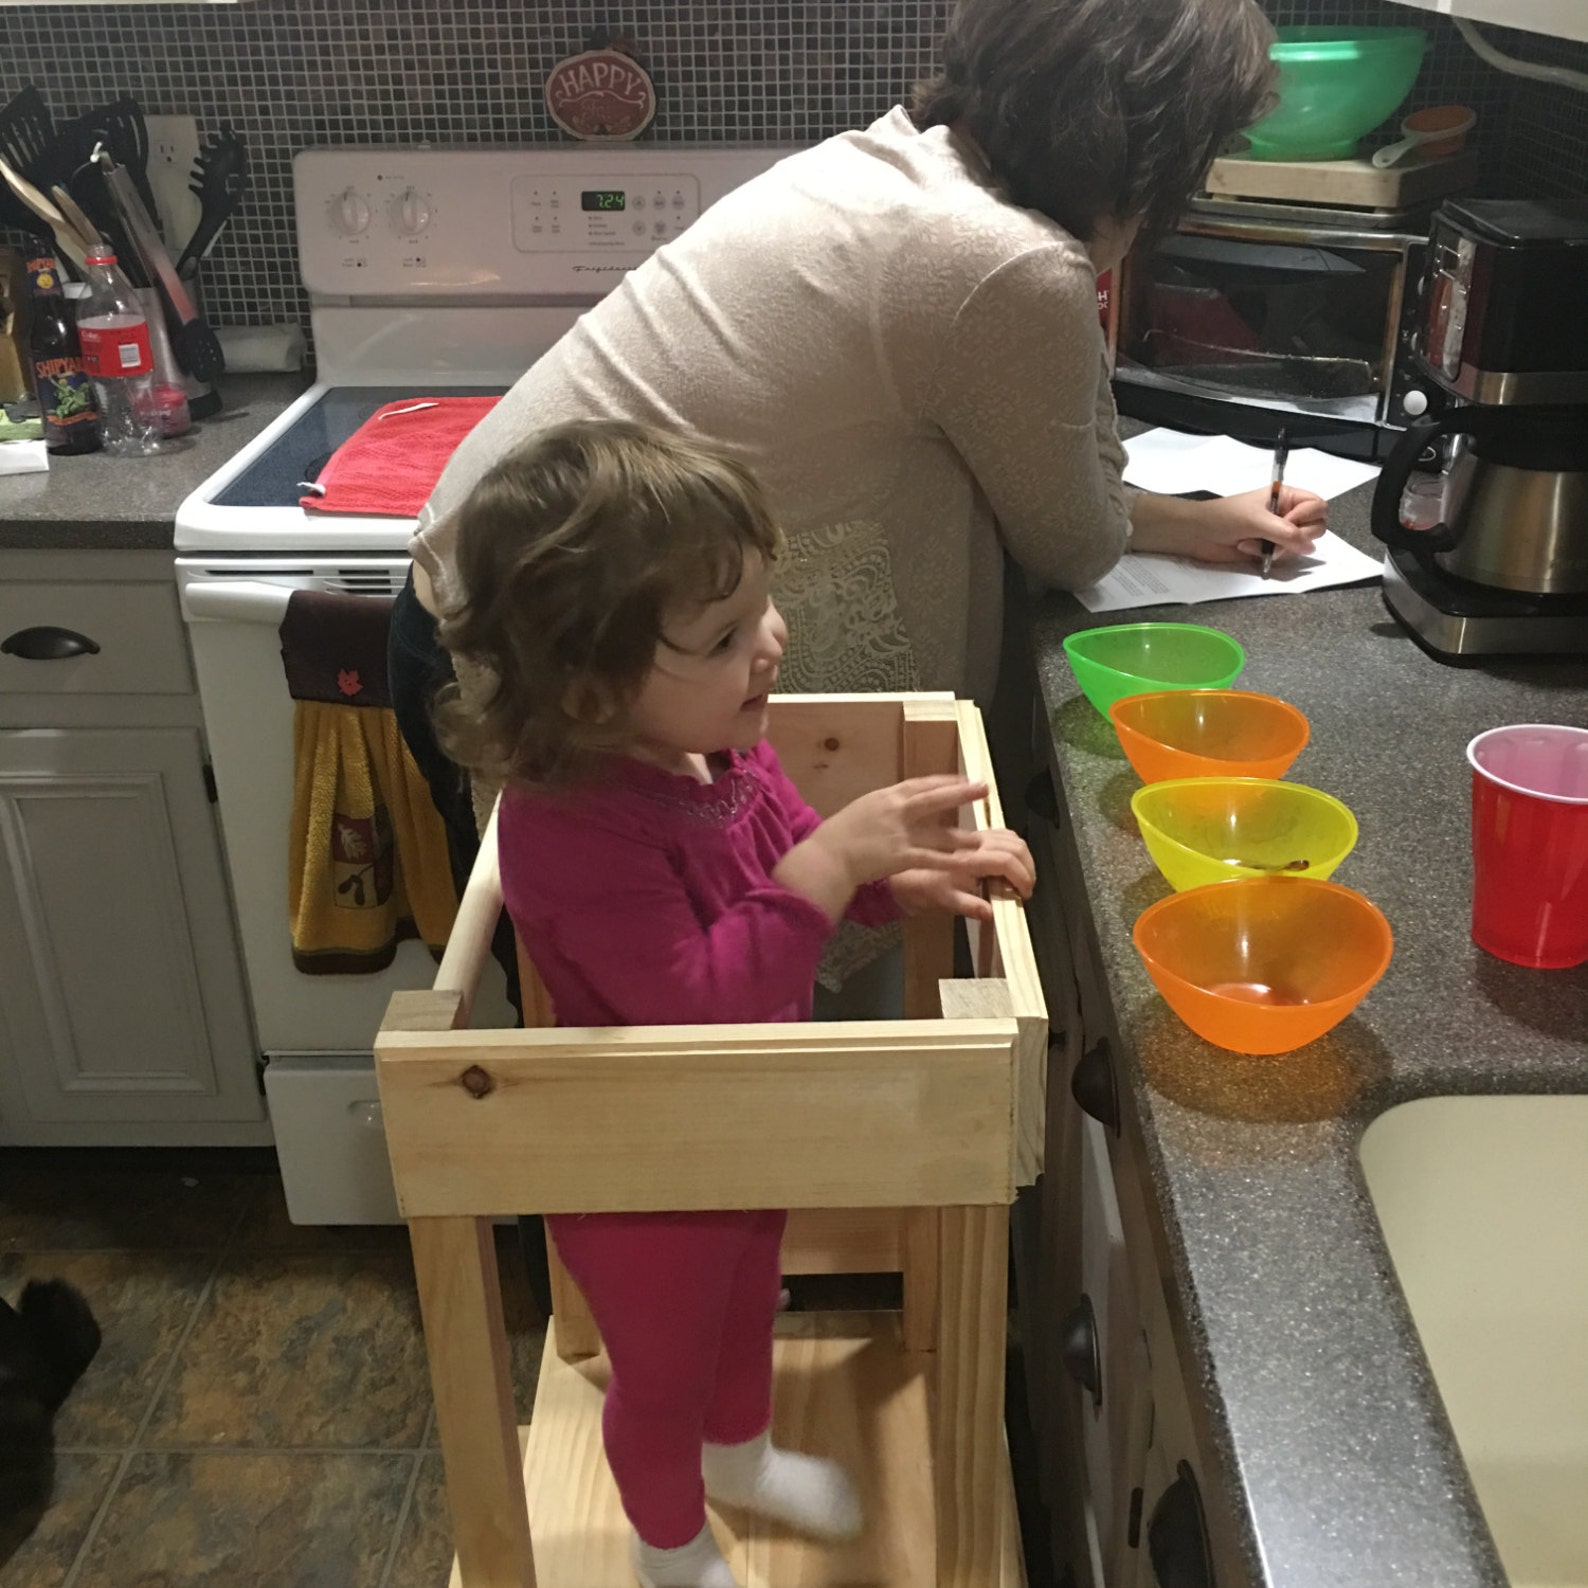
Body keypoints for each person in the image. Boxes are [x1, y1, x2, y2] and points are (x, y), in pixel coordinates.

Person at [390, 0, 1323, 924]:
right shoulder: (1006, 262)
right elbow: (1073, 540)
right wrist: (1095, 263)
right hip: (535, 651)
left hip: (502, 596)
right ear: (1146, 149)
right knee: (612, 1039)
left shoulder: (899, 160)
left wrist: (1196, 519)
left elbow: (1046, 468)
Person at [431, 418, 1035, 1588]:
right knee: (660, 1370)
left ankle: (739, 1456)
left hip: (741, 1129)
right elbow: (696, 1000)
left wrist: (891, 877)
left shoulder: (719, 747)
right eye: (722, 633)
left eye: (762, 601)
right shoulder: (569, 827)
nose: (771, 639)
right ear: (590, 692)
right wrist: (833, 866)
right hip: (636, 1167)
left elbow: (788, 868)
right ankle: (668, 1552)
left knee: (751, 1299)